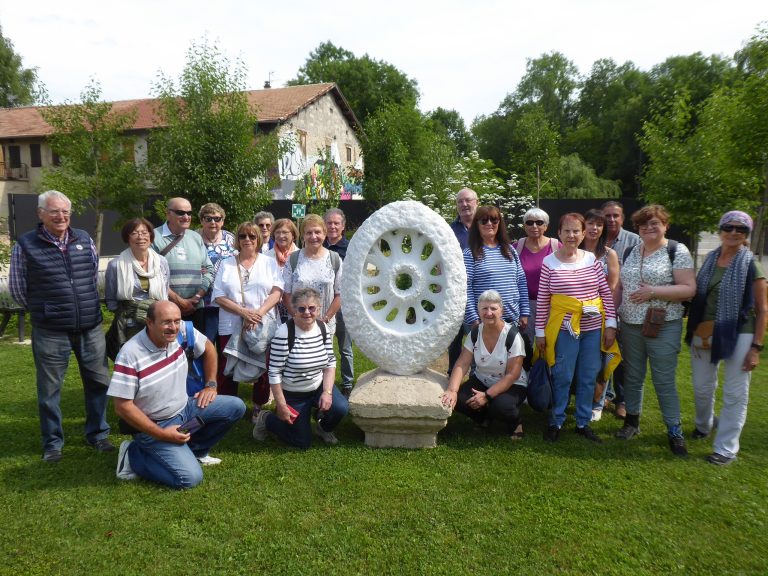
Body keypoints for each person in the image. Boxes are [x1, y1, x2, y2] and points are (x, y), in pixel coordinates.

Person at [9, 190, 113, 462]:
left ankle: (98, 434)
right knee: (49, 391)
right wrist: (44, 311)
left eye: (65, 211)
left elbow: (91, 276)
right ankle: (53, 443)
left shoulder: (83, 239)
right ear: (41, 214)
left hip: (89, 326)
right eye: (54, 211)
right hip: (51, 331)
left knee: (99, 382)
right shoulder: (26, 245)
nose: (61, 216)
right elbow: (18, 288)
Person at [109, 301, 246, 489]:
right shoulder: (130, 354)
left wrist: (211, 385)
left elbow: (208, 347)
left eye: (177, 321)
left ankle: (194, 451)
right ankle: (133, 455)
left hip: (186, 409)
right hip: (155, 424)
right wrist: (162, 434)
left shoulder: (182, 332)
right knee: (189, 478)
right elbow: (122, 406)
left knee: (235, 407)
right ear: (149, 322)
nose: (173, 327)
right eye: (166, 322)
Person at [614, 205, 696, 457]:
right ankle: (632, 422)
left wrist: (654, 291)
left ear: (665, 225)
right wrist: (612, 316)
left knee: (663, 380)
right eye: (643, 224)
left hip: (663, 325)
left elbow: (689, 289)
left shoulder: (676, 250)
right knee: (633, 377)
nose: (649, 228)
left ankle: (674, 430)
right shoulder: (630, 250)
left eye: (654, 223)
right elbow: (620, 288)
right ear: (637, 228)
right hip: (630, 324)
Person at [685, 211, 766, 465]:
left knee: (735, 392)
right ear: (720, 230)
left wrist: (756, 347)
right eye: (728, 228)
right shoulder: (710, 259)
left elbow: (763, 309)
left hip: (739, 332)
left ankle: (726, 447)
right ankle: (704, 424)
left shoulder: (751, 264)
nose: (733, 233)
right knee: (701, 387)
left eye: (740, 230)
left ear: (746, 235)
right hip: (704, 330)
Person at [536, 212, 618, 444]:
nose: (571, 235)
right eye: (567, 231)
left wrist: (611, 324)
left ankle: (583, 421)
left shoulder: (592, 259)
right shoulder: (549, 262)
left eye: (576, 231)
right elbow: (543, 301)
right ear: (559, 233)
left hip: (593, 330)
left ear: (583, 234)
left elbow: (605, 293)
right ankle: (557, 420)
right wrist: (540, 333)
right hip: (564, 330)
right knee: (562, 375)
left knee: (588, 375)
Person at [253, 288, 349, 448]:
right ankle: (267, 419)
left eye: (312, 308)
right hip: (294, 393)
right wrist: (282, 405)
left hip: (318, 387)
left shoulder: (323, 328)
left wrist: (327, 392)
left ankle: (323, 428)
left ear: (318, 309)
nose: (307, 312)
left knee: (340, 407)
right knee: (301, 442)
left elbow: (330, 362)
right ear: (294, 310)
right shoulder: (284, 334)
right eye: (301, 308)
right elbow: (274, 373)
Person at [212, 221, 283, 410]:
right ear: (237, 239)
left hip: (262, 324)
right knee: (228, 365)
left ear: (258, 239)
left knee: (264, 366)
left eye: (252, 236)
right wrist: (243, 312)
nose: (247, 240)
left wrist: (257, 314)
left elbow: (277, 292)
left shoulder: (269, 262)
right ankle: (228, 407)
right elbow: (218, 295)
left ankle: (258, 407)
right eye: (242, 236)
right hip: (231, 323)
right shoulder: (226, 263)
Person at [442, 290, 528, 440]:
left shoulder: (513, 336)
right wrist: (451, 390)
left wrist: (487, 396)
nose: (489, 313)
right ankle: (484, 418)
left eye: (493, 308)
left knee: (500, 406)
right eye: (484, 308)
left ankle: (515, 423)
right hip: (483, 379)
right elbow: (462, 363)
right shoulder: (475, 333)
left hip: (512, 384)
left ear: (501, 310)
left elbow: (512, 374)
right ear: (478, 310)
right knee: (459, 400)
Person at [104, 218, 170, 358]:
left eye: (144, 232)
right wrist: (127, 312)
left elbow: (165, 289)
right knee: (133, 358)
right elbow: (111, 300)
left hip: (157, 319)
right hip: (129, 323)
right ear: (127, 237)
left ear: (151, 236)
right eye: (135, 233)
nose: (141, 237)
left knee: (158, 356)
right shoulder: (116, 265)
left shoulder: (162, 262)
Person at [601, 201, 641, 419]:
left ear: (622, 218)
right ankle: (604, 394)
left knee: (623, 356)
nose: (611, 220)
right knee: (602, 352)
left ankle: (622, 400)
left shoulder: (634, 242)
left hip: (625, 307)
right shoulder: (593, 240)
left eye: (615, 215)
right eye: (607, 215)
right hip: (596, 309)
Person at [580, 208, 620, 421]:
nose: (594, 228)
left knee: (600, 362)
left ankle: (597, 403)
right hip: (574, 317)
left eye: (599, 225)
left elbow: (612, 288)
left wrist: (610, 322)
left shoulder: (609, 254)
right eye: (590, 223)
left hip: (602, 315)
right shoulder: (571, 250)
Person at [151, 197, 214, 333]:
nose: (186, 217)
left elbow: (209, 270)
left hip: (197, 308)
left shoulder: (196, 237)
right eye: (180, 212)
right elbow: (153, 276)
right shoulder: (153, 237)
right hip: (166, 310)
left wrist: (197, 297)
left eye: (189, 213)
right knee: (170, 351)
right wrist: (179, 301)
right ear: (168, 213)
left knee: (197, 351)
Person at [463, 205, 529, 332]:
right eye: (484, 221)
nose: (489, 224)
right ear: (477, 225)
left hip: (511, 320)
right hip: (484, 321)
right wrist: (474, 319)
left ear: (499, 223)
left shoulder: (510, 250)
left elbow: (521, 281)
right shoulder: (470, 253)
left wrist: (524, 312)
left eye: (494, 220)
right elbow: (466, 288)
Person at [281, 214, 342, 335]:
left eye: (317, 232)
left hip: (324, 326)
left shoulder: (334, 259)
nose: (313, 236)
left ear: (324, 234)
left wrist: (325, 319)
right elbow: (285, 293)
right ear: (303, 236)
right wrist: (297, 317)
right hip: (297, 325)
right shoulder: (293, 259)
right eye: (309, 233)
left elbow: (340, 294)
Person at [513, 207, 560, 341]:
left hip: (551, 304)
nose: (534, 226)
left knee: (550, 343)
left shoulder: (556, 246)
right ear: (524, 226)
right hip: (524, 305)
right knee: (525, 345)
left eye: (539, 222)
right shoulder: (516, 247)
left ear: (546, 226)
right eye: (529, 222)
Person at [324, 207, 355, 397]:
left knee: (345, 347)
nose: (333, 226)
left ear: (343, 226)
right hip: (323, 303)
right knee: (323, 346)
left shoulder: (351, 248)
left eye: (336, 223)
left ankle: (347, 383)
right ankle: (322, 382)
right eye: (329, 223)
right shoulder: (319, 245)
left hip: (344, 304)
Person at [447, 187, 478, 374]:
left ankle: (477, 375)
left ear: (477, 202)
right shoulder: (449, 230)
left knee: (478, 336)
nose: (464, 204)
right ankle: (452, 374)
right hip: (455, 292)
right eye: (460, 201)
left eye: (468, 200)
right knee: (454, 337)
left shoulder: (486, 226)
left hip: (479, 291)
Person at [197, 203, 236, 344]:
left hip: (227, 301)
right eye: (208, 219)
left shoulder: (231, 238)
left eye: (217, 219)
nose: (213, 222)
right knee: (205, 342)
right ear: (202, 221)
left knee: (225, 343)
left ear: (223, 221)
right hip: (203, 301)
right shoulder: (194, 238)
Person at [267, 218, 299, 323]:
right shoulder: (265, 257)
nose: (281, 236)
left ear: (293, 235)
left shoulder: (300, 256)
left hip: (296, 308)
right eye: (278, 232)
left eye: (285, 232)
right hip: (272, 309)